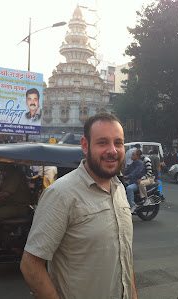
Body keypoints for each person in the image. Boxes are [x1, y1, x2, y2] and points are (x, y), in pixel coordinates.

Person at [20, 113, 136, 299]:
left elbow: (125, 260)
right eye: (102, 142)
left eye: (118, 143)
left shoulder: (120, 189)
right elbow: (31, 264)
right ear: (85, 145)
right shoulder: (61, 194)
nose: (112, 150)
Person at [0, 163, 31, 251]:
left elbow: (5, 194)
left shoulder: (15, 174)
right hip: (9, 203)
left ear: (5, 164)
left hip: (18, 206)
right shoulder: (9, 173)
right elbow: (0, 188)